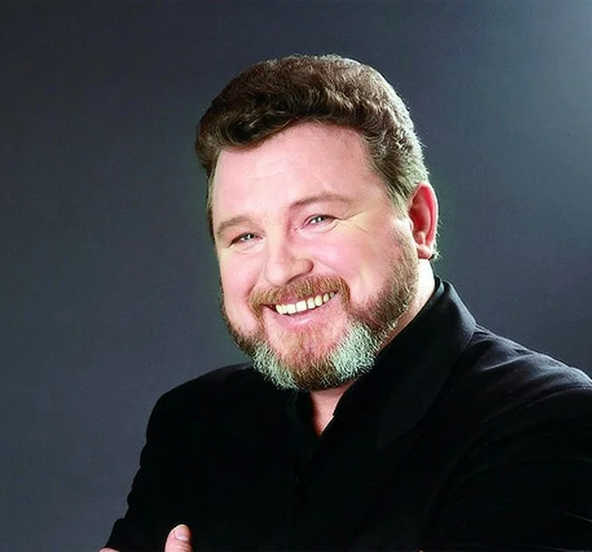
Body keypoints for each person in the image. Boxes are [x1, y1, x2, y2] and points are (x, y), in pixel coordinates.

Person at [102, 55, 592, 551]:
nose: (279, 270)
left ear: (418, 222)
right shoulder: (190, 422)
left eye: (318, 219)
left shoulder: (550, 419)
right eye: (245, 236)